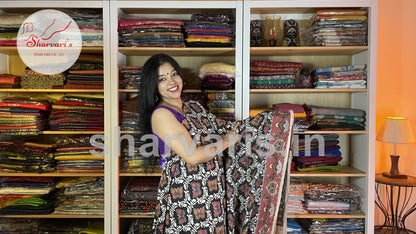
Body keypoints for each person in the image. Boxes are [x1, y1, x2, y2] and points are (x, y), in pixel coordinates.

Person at [139, 53, 294, 233]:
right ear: (153, 86)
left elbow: (224, 129)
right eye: (162, 79)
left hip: (213, 191)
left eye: (174, 74)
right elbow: (192, 156)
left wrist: (270, 122)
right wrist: (227, 141)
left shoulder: (192, 107)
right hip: (187, 197)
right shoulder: (162, 114)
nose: (172, 82)